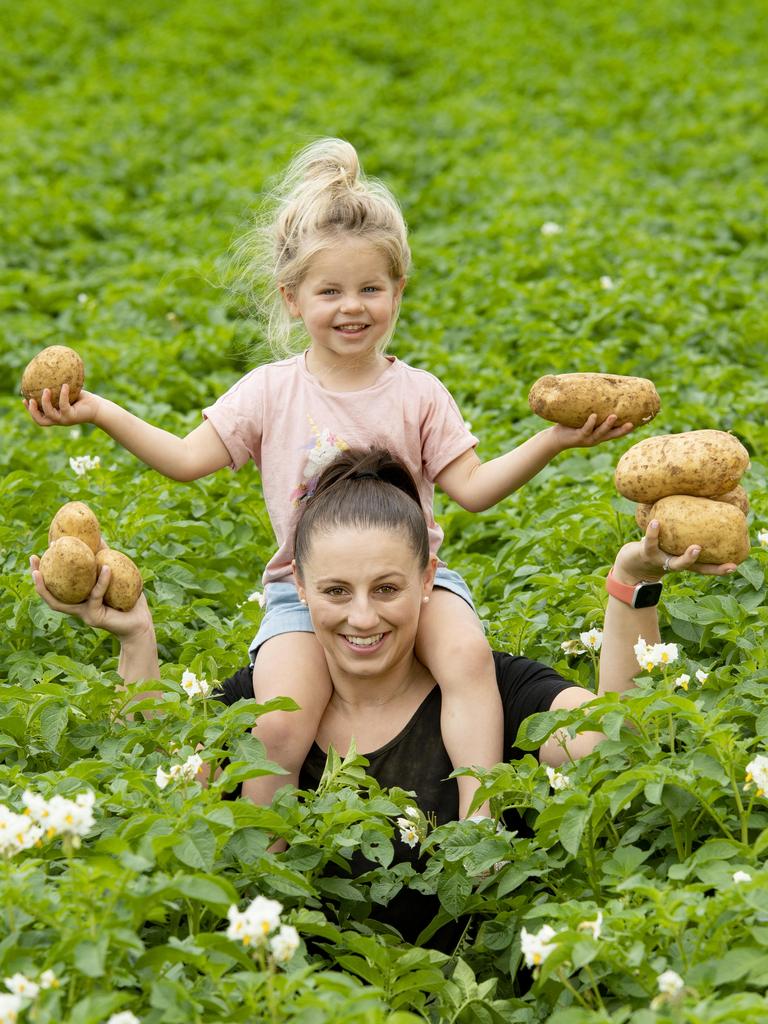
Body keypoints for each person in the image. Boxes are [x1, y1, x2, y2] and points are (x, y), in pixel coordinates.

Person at [24, 138, 636, 820]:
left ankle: (478, 821)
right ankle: (270, 852)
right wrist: (99, 411)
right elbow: (185, 459)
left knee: (466, 660)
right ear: (292, 298)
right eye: (330, 291)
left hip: (413, 581)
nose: (353, 307)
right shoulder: (269, 392)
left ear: (398, 291)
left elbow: (474, 488)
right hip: (301, 591)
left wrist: (556, 438)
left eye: (371, 288)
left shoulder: (419, 393)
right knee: (280, 724)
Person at [30, 448, 735, 941]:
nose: (362, 618)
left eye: (388, 588)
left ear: (431, 579)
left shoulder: (498, 691)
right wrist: (135, 640)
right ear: (298, 591)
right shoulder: (266, 709)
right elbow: (156, 785)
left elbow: (623, 745)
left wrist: (631, 579)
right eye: (335, 591)